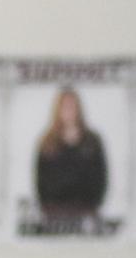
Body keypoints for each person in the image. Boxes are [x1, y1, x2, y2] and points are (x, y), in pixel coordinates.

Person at [33, 86, 107, 217]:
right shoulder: (47, 143)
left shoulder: (92, 141)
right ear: (58, 110)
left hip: (86, 212)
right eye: (65, 106)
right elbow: (40, 183)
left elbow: (101, 179)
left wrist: (92, 207)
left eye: (72, 106)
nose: (69, 111)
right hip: (54, 214)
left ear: (79, 109)